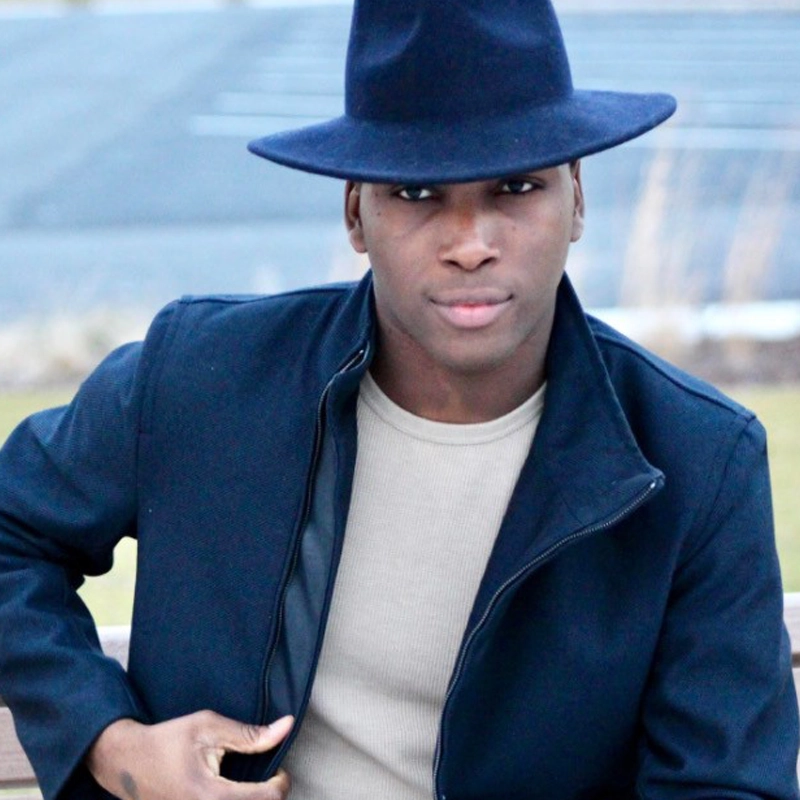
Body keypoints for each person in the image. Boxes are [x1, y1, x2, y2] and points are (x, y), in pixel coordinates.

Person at [0, 0, 797, 798]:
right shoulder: (201, 380)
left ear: (577, 199)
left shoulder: (695, 463)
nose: (470, 243)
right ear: (356, 212)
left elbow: (725, 784)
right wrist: (114, 743)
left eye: (517, 186)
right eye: (418, 193)